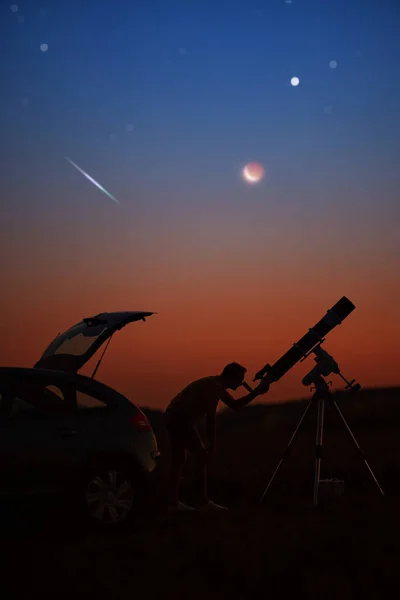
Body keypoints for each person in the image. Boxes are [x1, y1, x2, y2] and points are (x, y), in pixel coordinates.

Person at [163, 362, 271, 511]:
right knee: (199, 458)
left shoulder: (216, 384)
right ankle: (201, 502)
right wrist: (212, 445)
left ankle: (172, 502)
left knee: (179, 460)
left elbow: (235, 406)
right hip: (179, 419)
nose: (241, 383)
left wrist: (256, 393)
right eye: (240, 379)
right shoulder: (214, 388)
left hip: (176, 417)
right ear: (231, 376)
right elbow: (210, 420)